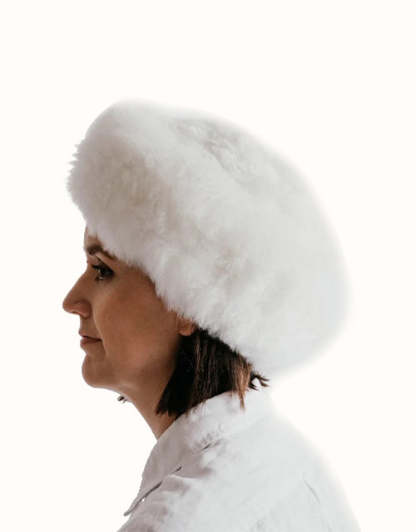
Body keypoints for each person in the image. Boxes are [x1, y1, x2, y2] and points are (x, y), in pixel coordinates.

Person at [62, 98, 361, 531]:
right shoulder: (280, 458)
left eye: (103, 270)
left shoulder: (176, 520)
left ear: (186, 303)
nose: (72, 300)